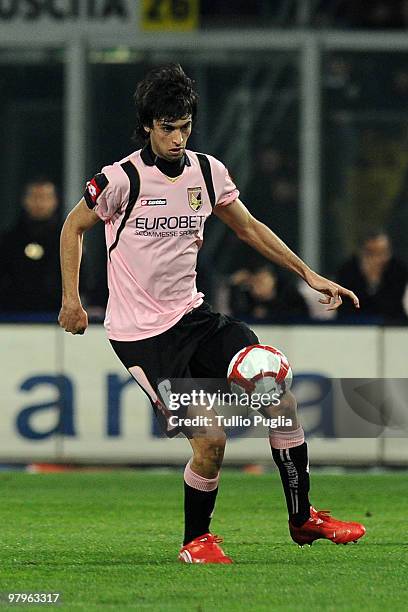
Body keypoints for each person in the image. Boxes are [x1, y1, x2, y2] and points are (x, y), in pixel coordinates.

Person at [58, 64, 365, 564]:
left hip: (195, 318)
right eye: (167, 127)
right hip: (142, 336)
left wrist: (308, 275)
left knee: (273, 389)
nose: (177, 137)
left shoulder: (207, 171)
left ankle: (303, 517)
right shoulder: (121, 179)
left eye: (184, 126)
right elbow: (72, 227)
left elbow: (249, 227)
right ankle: (194, 541)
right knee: (212, 439)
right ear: (147, 127)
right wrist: (71, 300)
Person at [0, 178, 61, 312]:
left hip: (57, 315)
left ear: (55, 201)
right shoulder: (9, 240)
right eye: (34, 197)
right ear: (25, 201)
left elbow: (82, 280)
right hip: (12, 317)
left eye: (45, 197)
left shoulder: (66, 239)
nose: (39, 203)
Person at [337, 230, 408, 321]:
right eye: (371, 253)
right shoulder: (347, 271)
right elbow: (345, 309)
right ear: (361, 253)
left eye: (382, 253)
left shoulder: (398, 270)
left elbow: (394, 307)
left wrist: (375, 281)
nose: (377, 259)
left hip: (392, 327)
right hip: (355, 326)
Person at [229, 264, 309, 321]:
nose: (257, 285)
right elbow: (238, 314)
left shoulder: (289, 294)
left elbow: (301, 316)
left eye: (261, 281)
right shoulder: (248, 297)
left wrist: (270, 313)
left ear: (273, 280)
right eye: (254, 281)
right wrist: (234, 287)